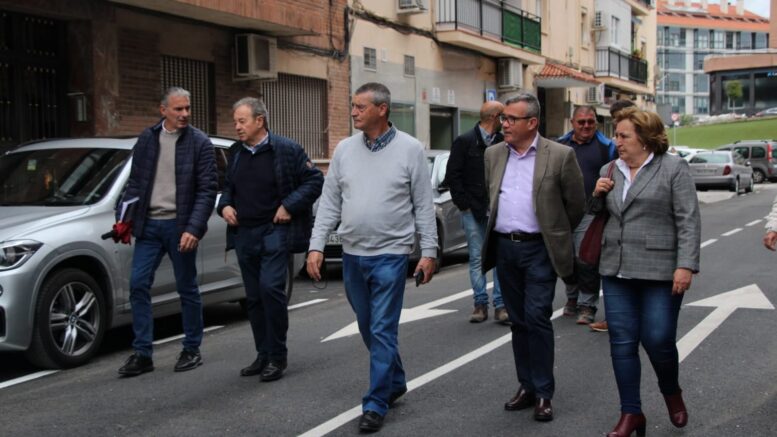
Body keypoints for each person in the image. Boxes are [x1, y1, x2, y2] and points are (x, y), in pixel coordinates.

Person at [307, 82, 437, 433]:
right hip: (352, 255)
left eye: (360, 107)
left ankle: (376, 402)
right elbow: (330, 202)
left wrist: (429, 251)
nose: (353, 113)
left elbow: (424, 205)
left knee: (381, 328)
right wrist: (316, 245)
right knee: (367, 326)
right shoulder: (344, 150)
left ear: (382, 109)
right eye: (353, 106)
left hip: (391, 255)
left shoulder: (410, 149)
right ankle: (394, 380)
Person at [591, 107, 700, 436]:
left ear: (645, 138)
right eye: (617, 135)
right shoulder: (610, 168)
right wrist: (596, 195)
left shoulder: (673, 168)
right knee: (622, 343)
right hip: (616, 268)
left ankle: (671, 391)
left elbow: (688, 219)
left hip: (661, 269)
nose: (617, 141)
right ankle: (631, 413)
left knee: (658, 339)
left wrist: (685, 264)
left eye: (624, 135)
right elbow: (597, 216)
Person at [482, 92, 585, 422]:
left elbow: (575, 206)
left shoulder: (560, 155)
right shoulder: (494, 154)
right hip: (504, 248)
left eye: (511, 119)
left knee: (538, 316)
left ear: (532, 122)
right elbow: (492, 195)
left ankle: (543, 392)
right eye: (503, 118)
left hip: (540, 248)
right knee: (518, 321)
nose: (505, 124)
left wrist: (553, 233)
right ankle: (525, 385)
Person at [217, 97, 323, 382]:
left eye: (242, 121)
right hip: (244, 234)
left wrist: (288, 205)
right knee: (253, 298)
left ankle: (277, 356)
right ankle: (262, 354)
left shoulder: (286, 149)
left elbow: (314, 181)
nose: (237, 126)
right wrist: (224, 206)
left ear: (259, 121)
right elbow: (227, 189)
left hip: (275, 232)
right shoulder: (236, 152)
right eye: (235, 121)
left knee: (271, 290)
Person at [117, 87, 218, 377]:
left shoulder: (200, 142)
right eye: (178, 109)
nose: (185, 114)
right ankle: (142, 353)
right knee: (137, 285)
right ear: (163, 111)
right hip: (149, 227)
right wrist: (123, 217)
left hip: (180, 226)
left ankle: (191, 349)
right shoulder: (147, 139)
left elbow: (207, 189)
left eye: (187, 108)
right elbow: (135, 184)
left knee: (187, 287)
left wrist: (193, 228)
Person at [445, 100, 508, 324]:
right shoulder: (465, 142)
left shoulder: (504, 142)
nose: (506, 121)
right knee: (476, 258)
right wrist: (465, 205)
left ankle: (501, 305)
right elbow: (453, 175)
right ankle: (480, 303)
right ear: (494, 117)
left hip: (499, 210)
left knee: (500, 257)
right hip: (473, 210)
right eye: (504, 117)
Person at [557, 105, 616, 326]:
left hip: (591, 212)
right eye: (581, 122)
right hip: (562, 213)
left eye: (590, 122)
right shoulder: (560, 145)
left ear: (596, 123)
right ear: (572, 122)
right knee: (564, 260)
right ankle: (572, 295)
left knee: (586, 260)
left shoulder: (607, 147)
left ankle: (587, 305)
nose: (586, 126)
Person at [588, 98, 636, 333]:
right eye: (616, 125)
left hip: (644, 240)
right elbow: (595, 207)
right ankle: (614, 316)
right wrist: (598, 192)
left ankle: (631, 314)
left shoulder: (666, 165)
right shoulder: (610, 162)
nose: (618, 140)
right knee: (614, 270)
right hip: (613, 231)